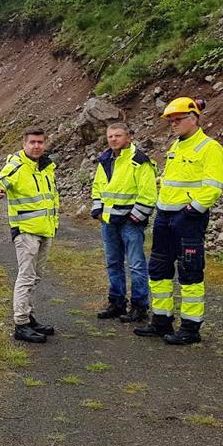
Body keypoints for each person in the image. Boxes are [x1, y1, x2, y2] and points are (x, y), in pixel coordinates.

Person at [134, 98, 223, 345]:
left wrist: (191, 211)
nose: (173, 125)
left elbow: (214, 186)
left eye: (178, 120)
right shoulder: (176, 146)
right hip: (165, 216)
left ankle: (190, 328)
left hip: (188, 219)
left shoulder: (210, 148)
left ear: (194, 118)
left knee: (189, 271)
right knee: (159, 269)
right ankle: (161, 320)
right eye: (171, 121)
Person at [0, 127, 59, 343]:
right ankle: (21, 324)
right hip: (26, 231)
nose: (36, 146)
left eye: (40, 142)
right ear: (24, 144)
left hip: (45, 230)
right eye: (32, 142)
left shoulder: (46, 167)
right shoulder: (16, 166)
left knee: (35, 276)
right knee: (26, 277)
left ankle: (28, 316)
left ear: (45, 143)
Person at [90, 122, 157, 323]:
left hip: (130, 222)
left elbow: (148, 194)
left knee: (136, 265)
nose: (113, 139)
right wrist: (98, 210)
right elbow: (98, 187)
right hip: (109, 221)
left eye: (118, 136)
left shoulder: (140, 161)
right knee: (113, 263)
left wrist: (136, 217)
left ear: (129, 138)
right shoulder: (105, 160)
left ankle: (139, 306)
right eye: (110, 136)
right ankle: (117, 302)